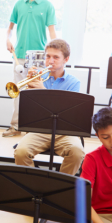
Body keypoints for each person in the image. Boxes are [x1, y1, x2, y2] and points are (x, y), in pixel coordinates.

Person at [13, 39, 84, 176]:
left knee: (77, 152)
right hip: (39, 129)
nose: (50, 61)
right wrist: (29, 90)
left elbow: (67, 113)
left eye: (56, 57)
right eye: (48, 56)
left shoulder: (74, 83)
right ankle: (33, 189)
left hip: (64, 131)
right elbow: (30, 109)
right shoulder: (37, 76)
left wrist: (43, 90)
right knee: (20, 152)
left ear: (66, 59)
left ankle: (61, 187)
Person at [3, 0, 57, 137]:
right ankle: (15, 126)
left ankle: (33, 129)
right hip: (19, 55)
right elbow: (10, 29)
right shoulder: (19, 4)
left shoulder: (47, 6)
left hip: (39, 56)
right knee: (17, 91)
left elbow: (52, 32)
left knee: (34, 93)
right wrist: (7, 39)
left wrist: (55, 51)